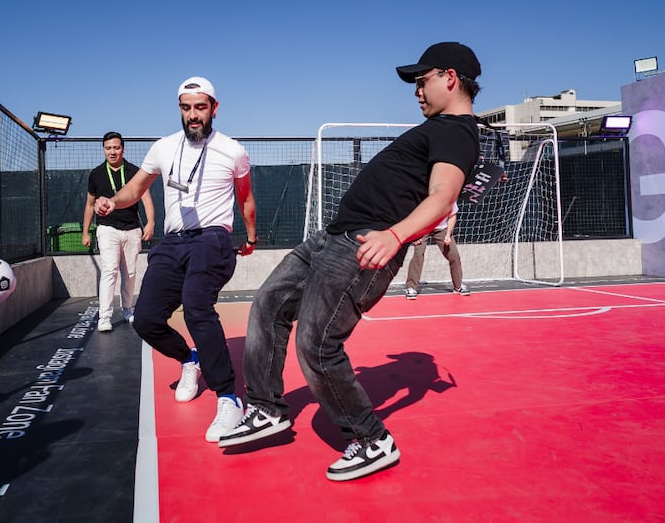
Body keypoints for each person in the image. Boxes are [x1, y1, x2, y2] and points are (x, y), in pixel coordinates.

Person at [219, 42, 482, 482]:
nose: (417, 91)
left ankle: (371, 439)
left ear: (449, 78)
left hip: (360, 247)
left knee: (319, 344)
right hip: (331, 238)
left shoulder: (455, 132)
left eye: (423, 80)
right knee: (268, 304)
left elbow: (443, 196)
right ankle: (266, 409)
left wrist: (395, 235)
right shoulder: (438, 128)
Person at [95, 76, 258, 443]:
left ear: (214, 108)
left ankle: (229, 398)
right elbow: (136, 189)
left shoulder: (233, 151)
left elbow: (245, 198)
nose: (193, 115)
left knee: (197, 307)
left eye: (200, 107)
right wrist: (112, 201)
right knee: (146, 319)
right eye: (186, 108)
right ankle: (189, 359)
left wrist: (250, 236)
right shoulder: (163, 148)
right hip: (173, 240)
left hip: (213, 237)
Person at [83, 131, 156, 332]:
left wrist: (150, 223)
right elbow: (90, 205)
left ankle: (127, 309)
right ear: (104, 150)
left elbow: (146, 198)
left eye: (116, 147)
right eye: (108, 148)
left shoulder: (134, 171)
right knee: (109, 270)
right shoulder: (96, 174)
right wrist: (85, 232)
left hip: (132, 229)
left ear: (123, 148)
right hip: (107, 229)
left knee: (130, 273)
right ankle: (104, 317)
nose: (112, 152)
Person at [404, 201, 470, 299]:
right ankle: (411, 287)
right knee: (418, 254)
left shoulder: (450, 195)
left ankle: (458, 286)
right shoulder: (422, 196)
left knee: (454, 255)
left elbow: (452, 216)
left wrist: (448, 235)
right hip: (422, 227)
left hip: (442, 228)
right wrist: (414, 235)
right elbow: (412, 216)